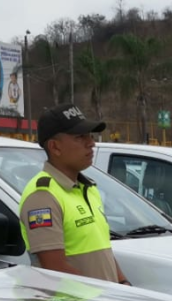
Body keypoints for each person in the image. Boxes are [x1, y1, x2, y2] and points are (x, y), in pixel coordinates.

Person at [18, 103, 131, 285]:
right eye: (80, 137)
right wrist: (102, 298)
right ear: (55, 147)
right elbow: (55, 269)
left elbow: (103, 251)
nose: (91, 143)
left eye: (90, 136)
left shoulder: (88, 189)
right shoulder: (43, 196)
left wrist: (124, 284)